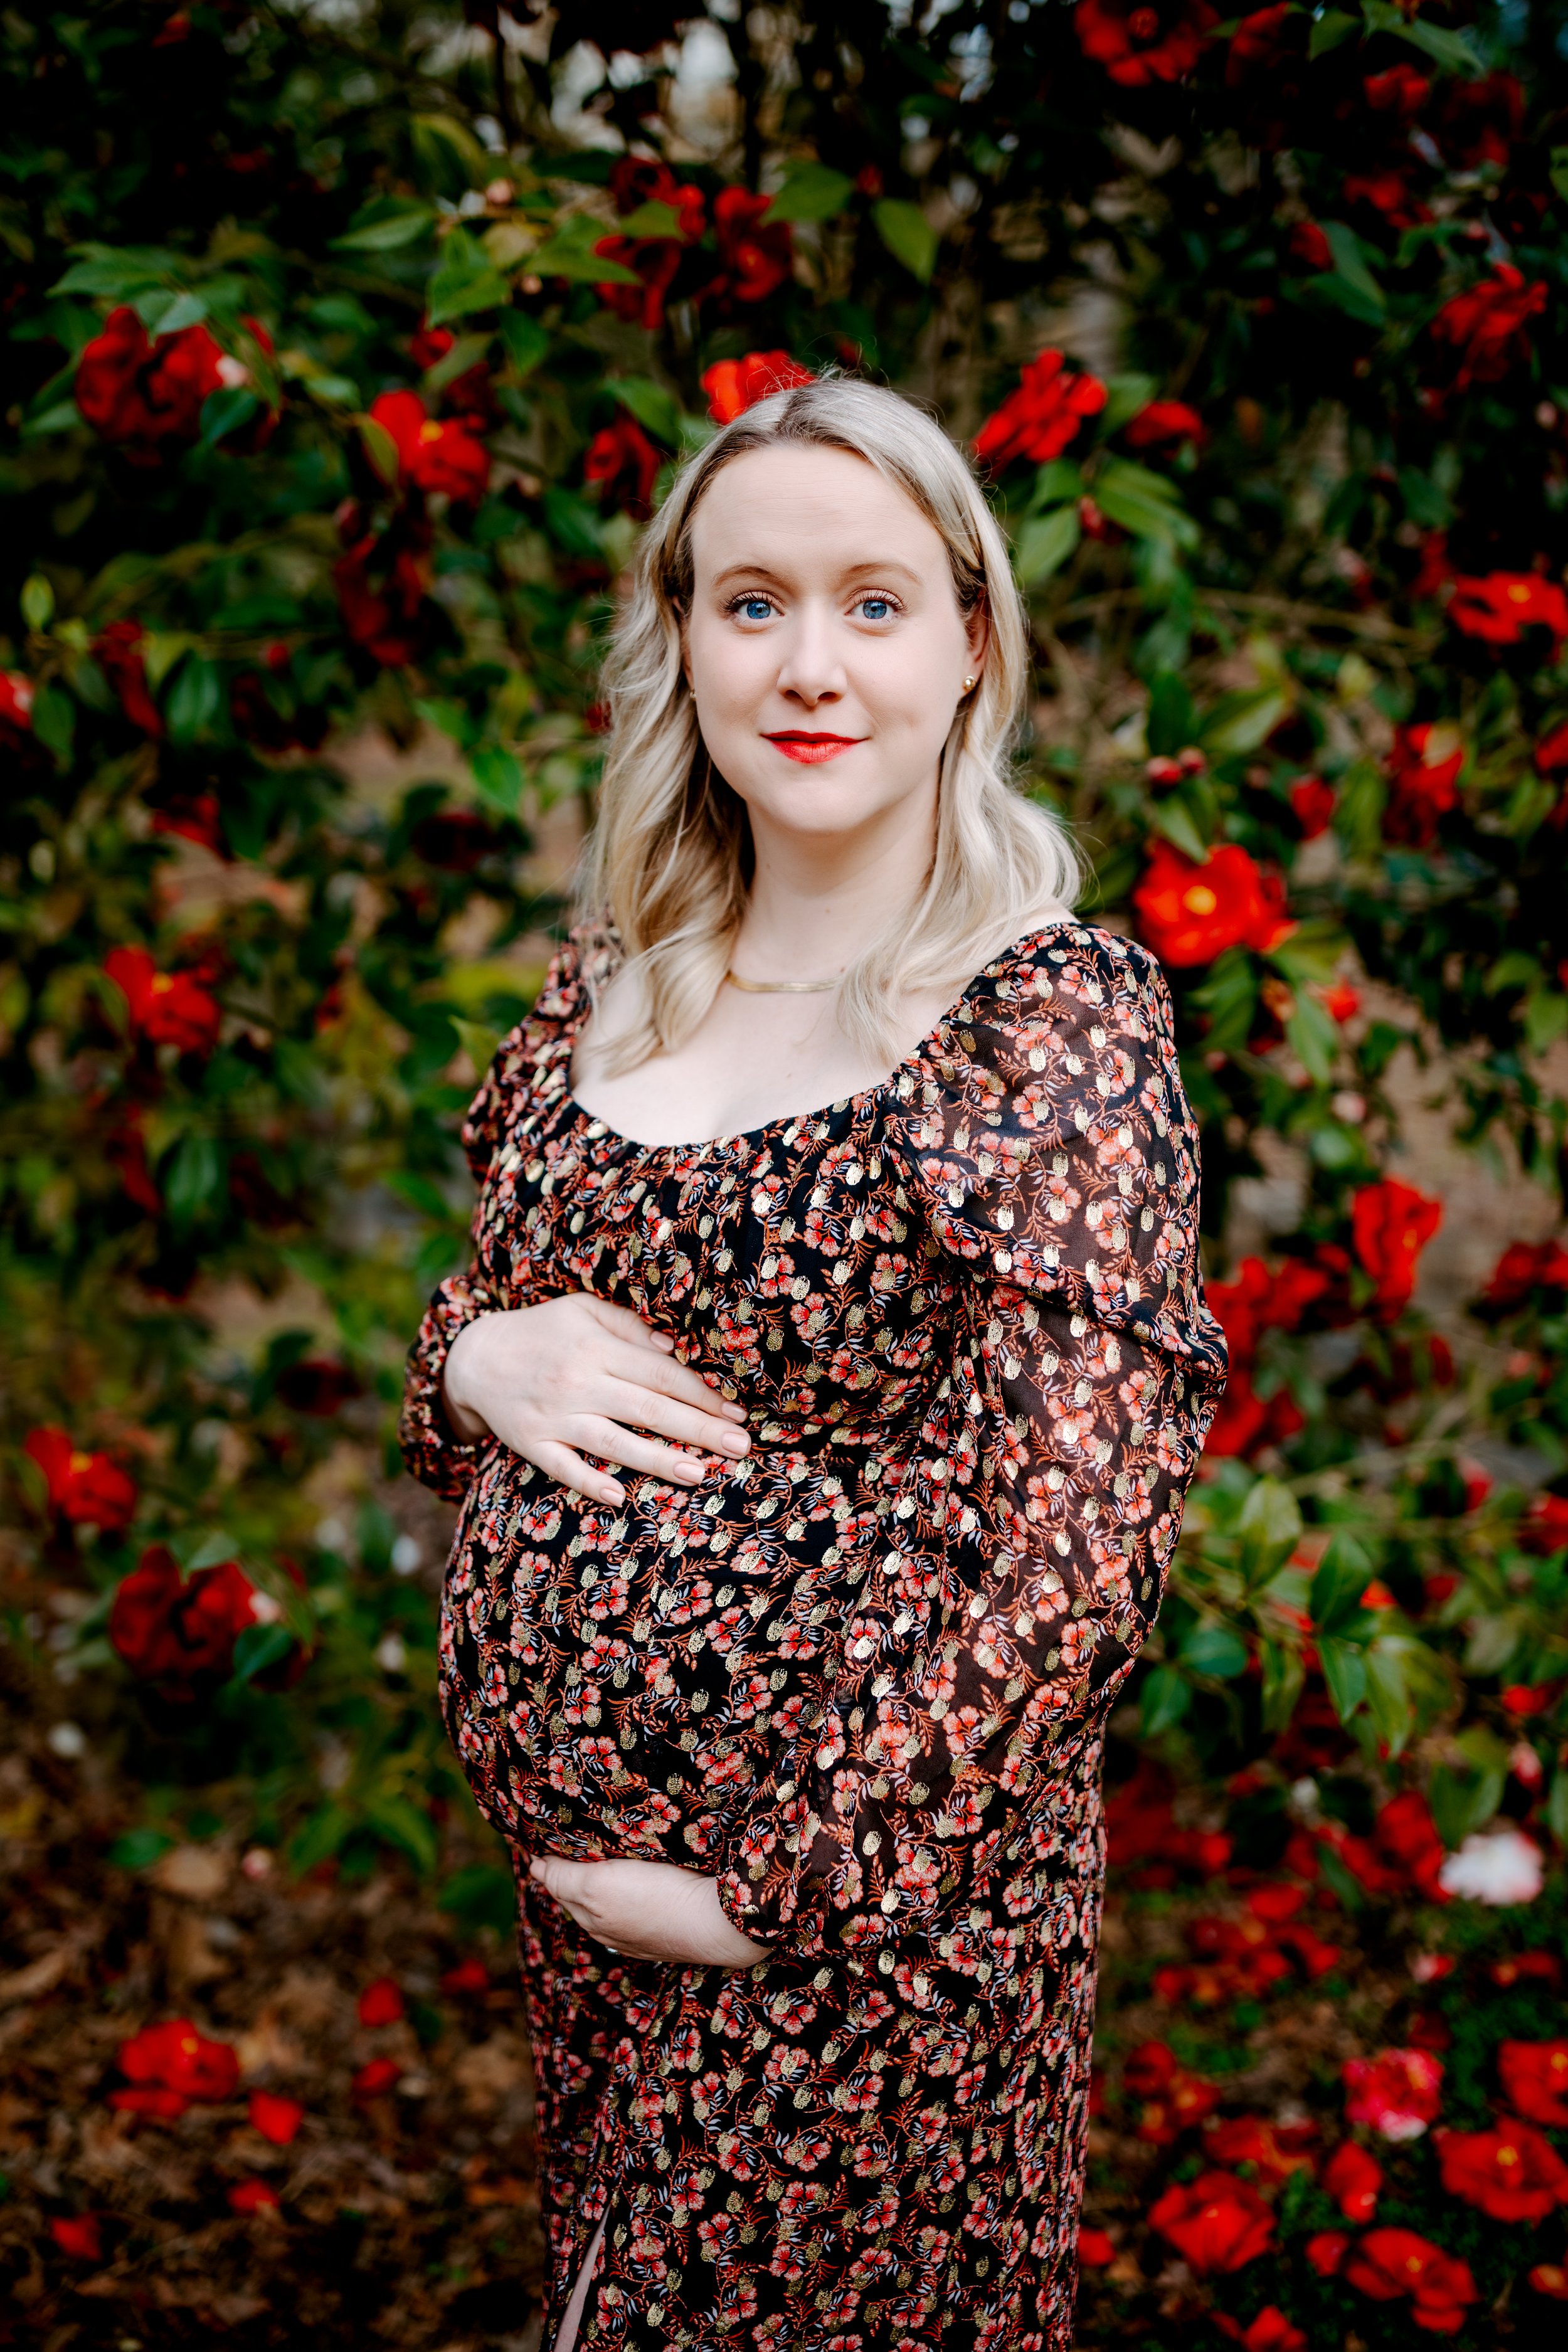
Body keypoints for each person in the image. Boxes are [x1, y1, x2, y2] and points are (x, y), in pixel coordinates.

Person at [401, 376, 1226, 2352]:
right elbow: (494, 1347)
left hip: (879, 1929)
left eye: (873, 603)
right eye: (751, 602)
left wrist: (777, 1892)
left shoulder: (1039, 1017)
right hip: (597, 1942)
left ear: (969, 646)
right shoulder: (611, 990)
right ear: (681, 637)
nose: (809, 666)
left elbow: (1076, 1542)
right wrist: (475, 1359)